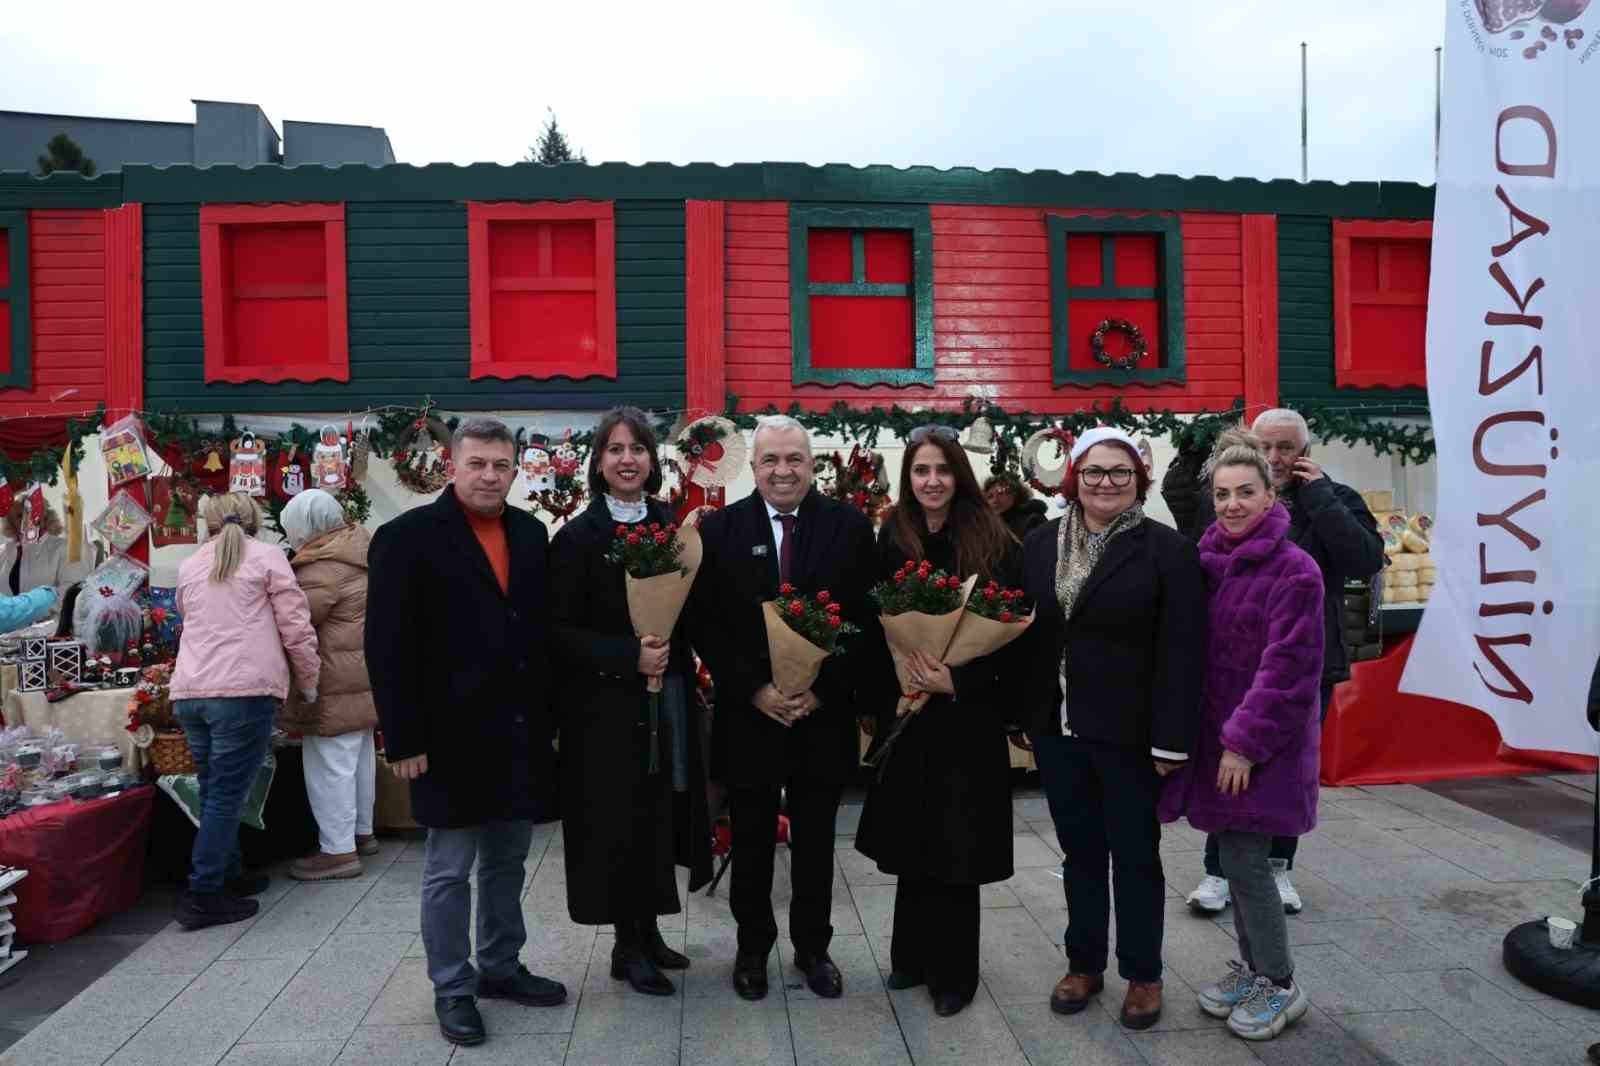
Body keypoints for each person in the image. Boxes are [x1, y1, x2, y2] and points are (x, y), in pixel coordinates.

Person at [366, 417, 565, 1048]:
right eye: (477, 463)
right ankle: (453, 986)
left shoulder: (532, 534)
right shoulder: (406, 538)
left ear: (515, 469)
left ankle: (500, 967)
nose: (490, 475)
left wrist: (552, 722)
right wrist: (402, 739)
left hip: (517, 733)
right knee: (449, 869)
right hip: (445, 737)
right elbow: (386, 646)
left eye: (501, 465)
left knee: (508, 860)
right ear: (453, 465)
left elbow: (540, 634)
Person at [1021, 427, 1207, 1030]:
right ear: (1074, 477)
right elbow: (1028, 635)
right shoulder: (1042, 543)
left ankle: (1144, 974)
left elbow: (1183, 650)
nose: (1106, 483)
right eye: (1095, 472)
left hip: (1130, 735)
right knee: (1078, 853)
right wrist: (1027, 715)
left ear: (1139, 482)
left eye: (1120, 473)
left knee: (1134, 855)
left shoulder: (1167, 550)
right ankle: (1084, 962)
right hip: (1060, 729)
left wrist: (1171, 739)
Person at [692, 414, 878, 1002]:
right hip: (751, 716)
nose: (783, 470)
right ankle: (752, 948)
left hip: (822, 716)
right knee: (749, 837)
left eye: (794, 459)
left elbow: (866, 621)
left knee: (818, 840)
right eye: (771, 460)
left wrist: (822, 691)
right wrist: (755, 690)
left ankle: (813, 948)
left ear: (812, 464)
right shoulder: (721, 530)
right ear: (754, 467)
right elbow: (706, 623)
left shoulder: (849, 527)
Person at [1168, 408, 1383, 915]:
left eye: (1286, 447)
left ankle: (1278, 868)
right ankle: (1218, 869)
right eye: (1265, 446)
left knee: (1284, 770)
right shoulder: (1230, 498)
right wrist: (1194, 443)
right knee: (1225, 766)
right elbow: (1181, 501)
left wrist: (1321, 495)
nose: (1275, 457)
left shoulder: (1332, 498)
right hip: (1228, 662)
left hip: (1307, 663)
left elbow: (1364, 559)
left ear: (1304, 452)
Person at [1159, 429, 1324, 1041]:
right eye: (1223, 493)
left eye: (1245, 493)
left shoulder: (1294, 570)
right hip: (1220, 742)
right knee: (1232, 857)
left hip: (1261, 748)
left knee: (1251, 865)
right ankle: (1254, 969)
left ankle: (1279, 983)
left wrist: (1243, 743)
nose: (1232, 504)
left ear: (1269, 492)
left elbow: (1289, 669)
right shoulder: (1208, 560)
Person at [855, 426, 1023, 1017]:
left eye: (942, 470)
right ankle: (911, 958)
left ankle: (954, 973)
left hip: (965, 718)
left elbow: (1016, 637)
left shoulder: (994, 540)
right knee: (913, 837)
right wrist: (889, 694)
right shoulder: (892, 535)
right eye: (921, 471)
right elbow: (875, 623)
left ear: (959, 476)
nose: (932, 482)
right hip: (910, 713)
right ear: (909, 478)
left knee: (958, 843)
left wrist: (961, 681)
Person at [549, 407, 711, 997]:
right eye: (615, 450)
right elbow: (559, 631)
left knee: (660, 810)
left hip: (667, 693)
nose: (627, 459)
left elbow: (690, 608)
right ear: (598, 462)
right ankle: (627, 944)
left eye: (637, 449)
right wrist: (628, 656)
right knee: (620, 818)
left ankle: (649, 928)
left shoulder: (672, 528)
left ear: (651, 460)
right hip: (605, 707)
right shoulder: (576, 538)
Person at [170, 493, 319, 930]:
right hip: (243, 690)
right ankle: (203, 893)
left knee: (215, 788)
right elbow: (295, 626)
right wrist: (308, 681)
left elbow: (188, 620)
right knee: (226, 795)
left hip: (190, 691)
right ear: (257, 520)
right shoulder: (268, 557)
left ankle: (228, 874)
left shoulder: (190, 564)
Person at [278, 489, 378, 882]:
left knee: (329, 763)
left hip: (332, 678)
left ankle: (337, 851)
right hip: (361, 672)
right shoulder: (356, 551)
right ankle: (362, 832)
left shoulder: (321, 567)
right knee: (359, 756)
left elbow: (297, 621)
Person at [1, 497, 71, 601]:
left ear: (45, 517)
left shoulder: (63, 548)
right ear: (10, 521)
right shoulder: (2, 551)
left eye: (33, 513)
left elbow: (70, 592)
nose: (27, 519)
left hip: (48, 616)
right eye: (20, 516)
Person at [983, 473, 1047, 541]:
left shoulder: (1033, 520)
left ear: (1016, 495)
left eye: (1001, 494)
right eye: (990, 496)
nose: (995, 500)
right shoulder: (988, 531)